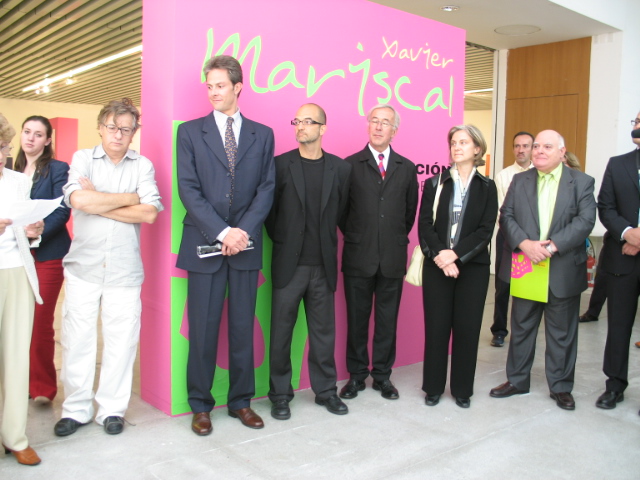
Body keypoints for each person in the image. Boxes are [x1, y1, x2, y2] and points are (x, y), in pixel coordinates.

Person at [176, 55, 275, 436]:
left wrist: (242, 232)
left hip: (245, 246)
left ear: (237, 87)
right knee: (202, 331)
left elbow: (266, 189)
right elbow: (189, 189)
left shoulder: (262, 134)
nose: (213, 92)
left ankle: (241, 402)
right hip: (205, 244)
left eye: (220, 85)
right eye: (209, 86)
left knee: (242, 329)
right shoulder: (190, 132)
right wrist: (223, 232)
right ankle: (200, 406)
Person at [54, 98, 163, 437]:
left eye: (126, 129)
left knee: (121, 343)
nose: (118, 134)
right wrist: (129, 197)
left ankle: (112, 410)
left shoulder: (142, 165)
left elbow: (149, 213)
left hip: (124, 270)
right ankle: (75, 409)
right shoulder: (83, 159)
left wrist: (98, 200)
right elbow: (78, 200)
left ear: (134, 132)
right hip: (83, 267)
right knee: (77, 341)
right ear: (101, 127)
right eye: (113, 127)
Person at [490, 130, 596, 411]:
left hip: (562, 267)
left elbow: (586, 220)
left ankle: (560, 387)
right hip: (527, 266)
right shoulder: (520, 180)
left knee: (562, 333)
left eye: (547, 147)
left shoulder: (581, 182)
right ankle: (517, 381)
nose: (539, 151)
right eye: (536, 146)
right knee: (522, 327)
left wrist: (552, 247)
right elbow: (506, 215)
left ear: (562, 152)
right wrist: (525, 244)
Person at [266, 104, 351, 419]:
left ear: (322, 128)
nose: (300, 126)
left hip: (323, 266)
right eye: (297, 121)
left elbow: (342, 214)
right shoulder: (279, 165)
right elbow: (270, 215)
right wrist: (286, 242)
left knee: (323, 336)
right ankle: (280, 395)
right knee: (281, 335)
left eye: (307, 121)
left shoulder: (340, 169)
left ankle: (326, 392)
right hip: (289, 266)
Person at [339, 104, 418, 401]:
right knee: (356, 321)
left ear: (394, 131)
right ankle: (357, 376)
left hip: (392, 258)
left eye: (385, 122)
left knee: (387, 322)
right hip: (359, 255)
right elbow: (341, 213)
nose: (379, 126)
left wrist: (389, 238)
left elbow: (409, 214)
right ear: (368, 125)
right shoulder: (350, 165)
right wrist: (360, 236)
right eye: (375, 121)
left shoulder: (406, 167)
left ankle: (383, 376)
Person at [419, 125, 497, 408]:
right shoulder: (435, 183)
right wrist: (442, 256)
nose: (457, 147)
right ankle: (433, 388)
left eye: (464, 142)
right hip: (437, 266)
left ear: (477, 149)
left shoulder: (487, 187)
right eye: (453, 142)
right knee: (436, 328)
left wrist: (456, 256)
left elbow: (485, 230)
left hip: (472, 268)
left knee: (468, 329)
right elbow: (424, 225)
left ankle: (462, 389)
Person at [13, 116, 71, 405]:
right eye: (27, 132)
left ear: (48, 140)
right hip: (14, 253)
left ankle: (42, 388)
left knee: (39, 321)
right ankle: (19, 382)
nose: (30, 138)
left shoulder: (57, 169)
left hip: (47, 254)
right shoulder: (10, 169)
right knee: (16, 321)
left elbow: (63, 209)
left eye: (38, 134)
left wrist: (40, 229)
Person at [0, 112, 44, 466]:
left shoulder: (18, 181)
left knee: (16, 357)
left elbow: (26, 227)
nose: (1, 154)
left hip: (17, 272)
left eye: (3, 146)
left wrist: (34, 231)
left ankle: (14, 436)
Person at [594, 111, 640, 413]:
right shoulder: (618, 164)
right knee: (619, 325)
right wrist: (628, 233)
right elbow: (606, 207)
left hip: (633, 247)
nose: (637, 126)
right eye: (636, 121)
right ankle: (614, 385)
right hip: (622, 258)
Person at [491, 132, 534, 347]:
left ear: (532, 148)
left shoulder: (539, 173)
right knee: (503, 285)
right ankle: (499, 330)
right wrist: (517, 236)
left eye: (525, 146)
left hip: (534, 239)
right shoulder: (503, 176)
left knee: (528, 286)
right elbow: (502, 212)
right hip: (507, 237)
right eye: (517, 146)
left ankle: (523, 332)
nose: (521, 150)